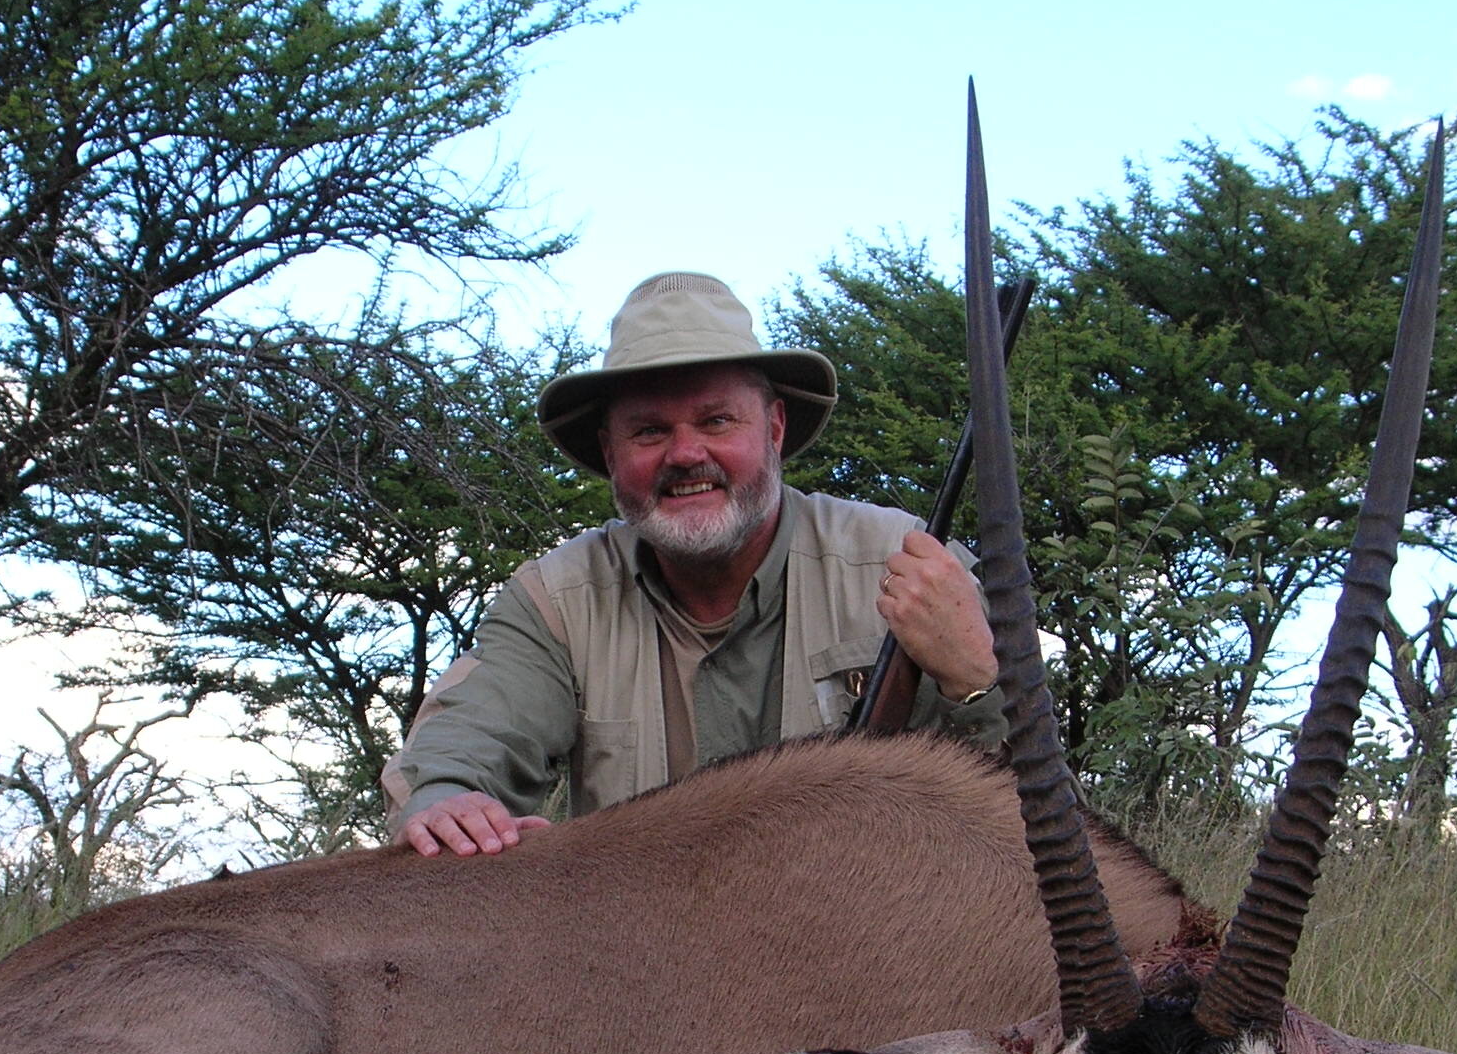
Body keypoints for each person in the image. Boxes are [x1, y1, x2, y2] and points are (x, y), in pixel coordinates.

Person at [382, 272, 1008, 857]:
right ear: (610, 452)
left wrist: (976, 681)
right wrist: (447, 803)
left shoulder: (911, 564)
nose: (685, 454)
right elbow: (464, 748)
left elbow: (1033, 811)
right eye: (649, 432)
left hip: (879, 947)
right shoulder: (555, 599)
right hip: (646, 956)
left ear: (775, 427)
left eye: (716, 420)